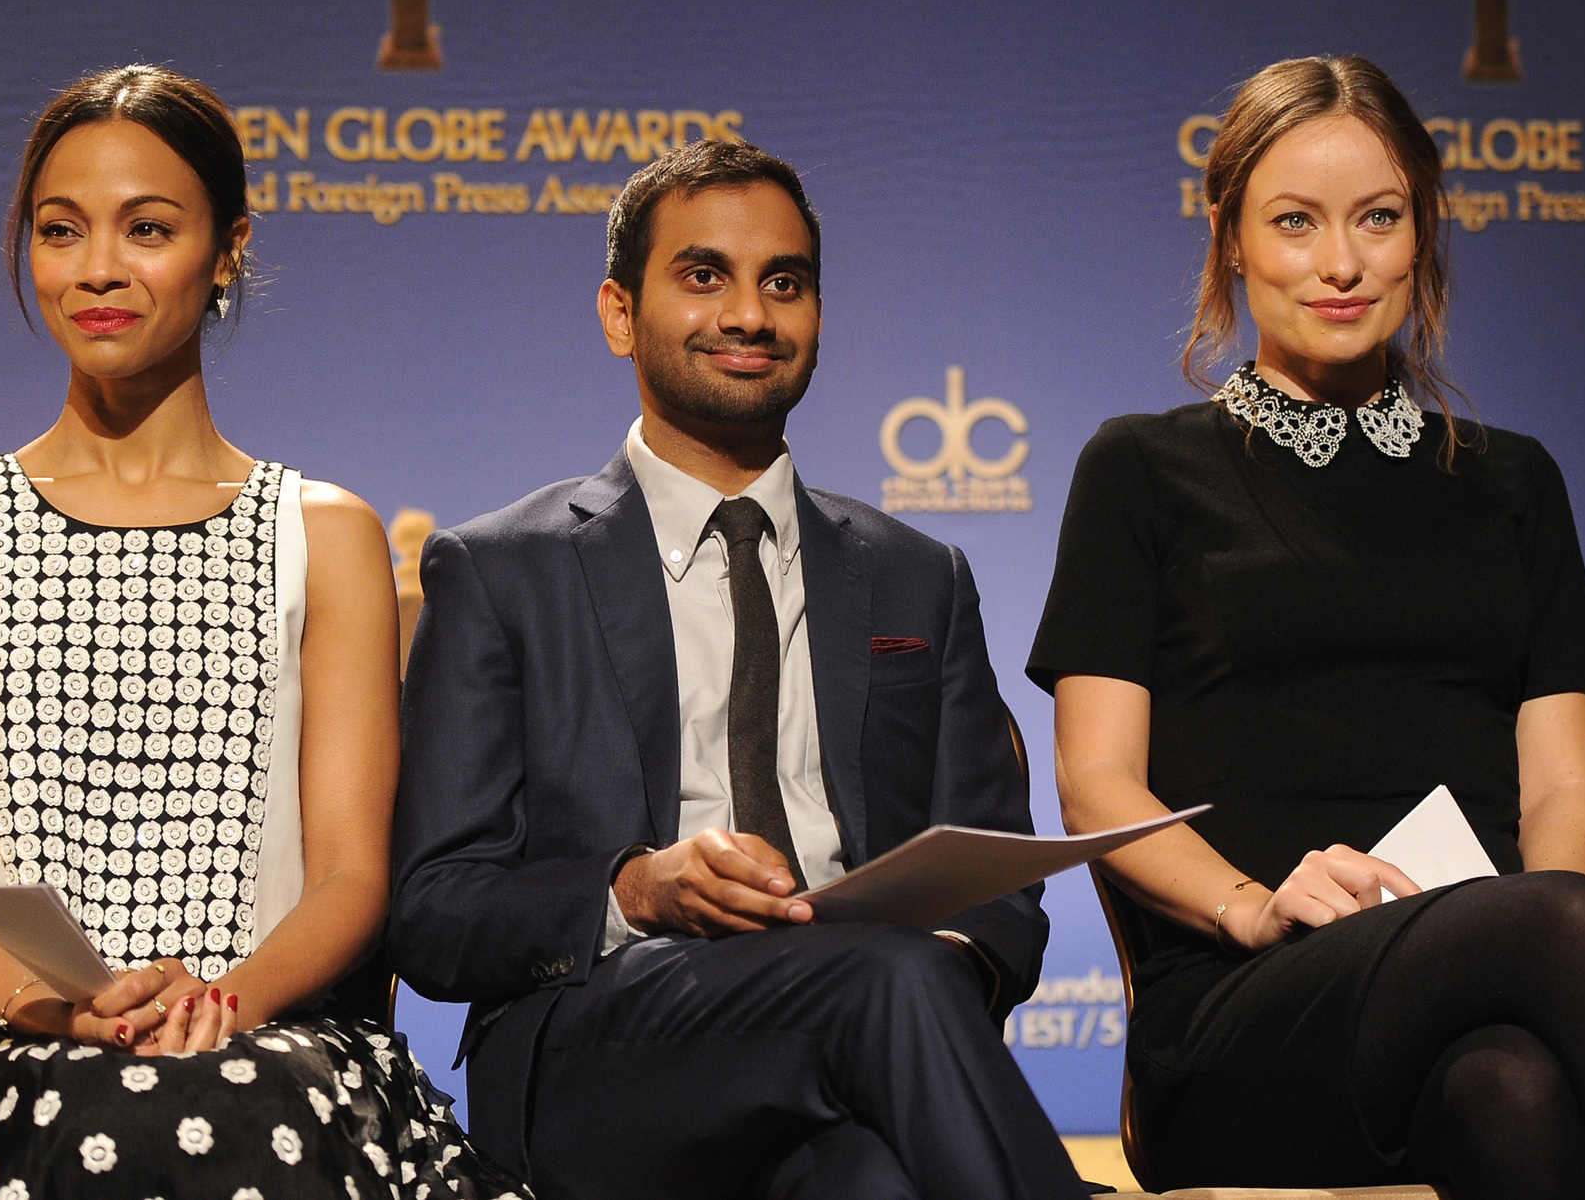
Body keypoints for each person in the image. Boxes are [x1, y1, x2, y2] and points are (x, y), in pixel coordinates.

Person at [1032, 55, 1585, 1199]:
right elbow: (1095, 786)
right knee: (1553, 939)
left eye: (1377, 218)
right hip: (1243, 1004)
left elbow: (1563, 787)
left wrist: (1525, 933)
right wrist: (1250, 904)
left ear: (1421, 235)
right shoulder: (1140, 470)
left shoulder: (1511, 481)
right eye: (1293, 222)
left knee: (1510, 1092)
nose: (1339, 262)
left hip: (1481, 968)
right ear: (1228, 238)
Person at [0, 65, 526, 1199]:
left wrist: (219, 1009)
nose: (98, 267)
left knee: (232, 1108)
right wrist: (63, 1012)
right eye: (61, 231)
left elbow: (352, 874)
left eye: (147, 227)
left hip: (276, 1047)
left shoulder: (328, 533)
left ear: (227, 251)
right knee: (92, 1117)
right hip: (16, 1055)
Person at [389, 139, 1089, 1200]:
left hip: (864, 1033)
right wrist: (634, 887)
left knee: (870, 1179)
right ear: (620, 313)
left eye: (784, 283)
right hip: (603, 1049)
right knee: (884, 978)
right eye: (703, 276)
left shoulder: (916, 576)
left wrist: (948, 955)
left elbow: (998, 886)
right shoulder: (500, 570)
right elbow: (436, 909)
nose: (750, 315)